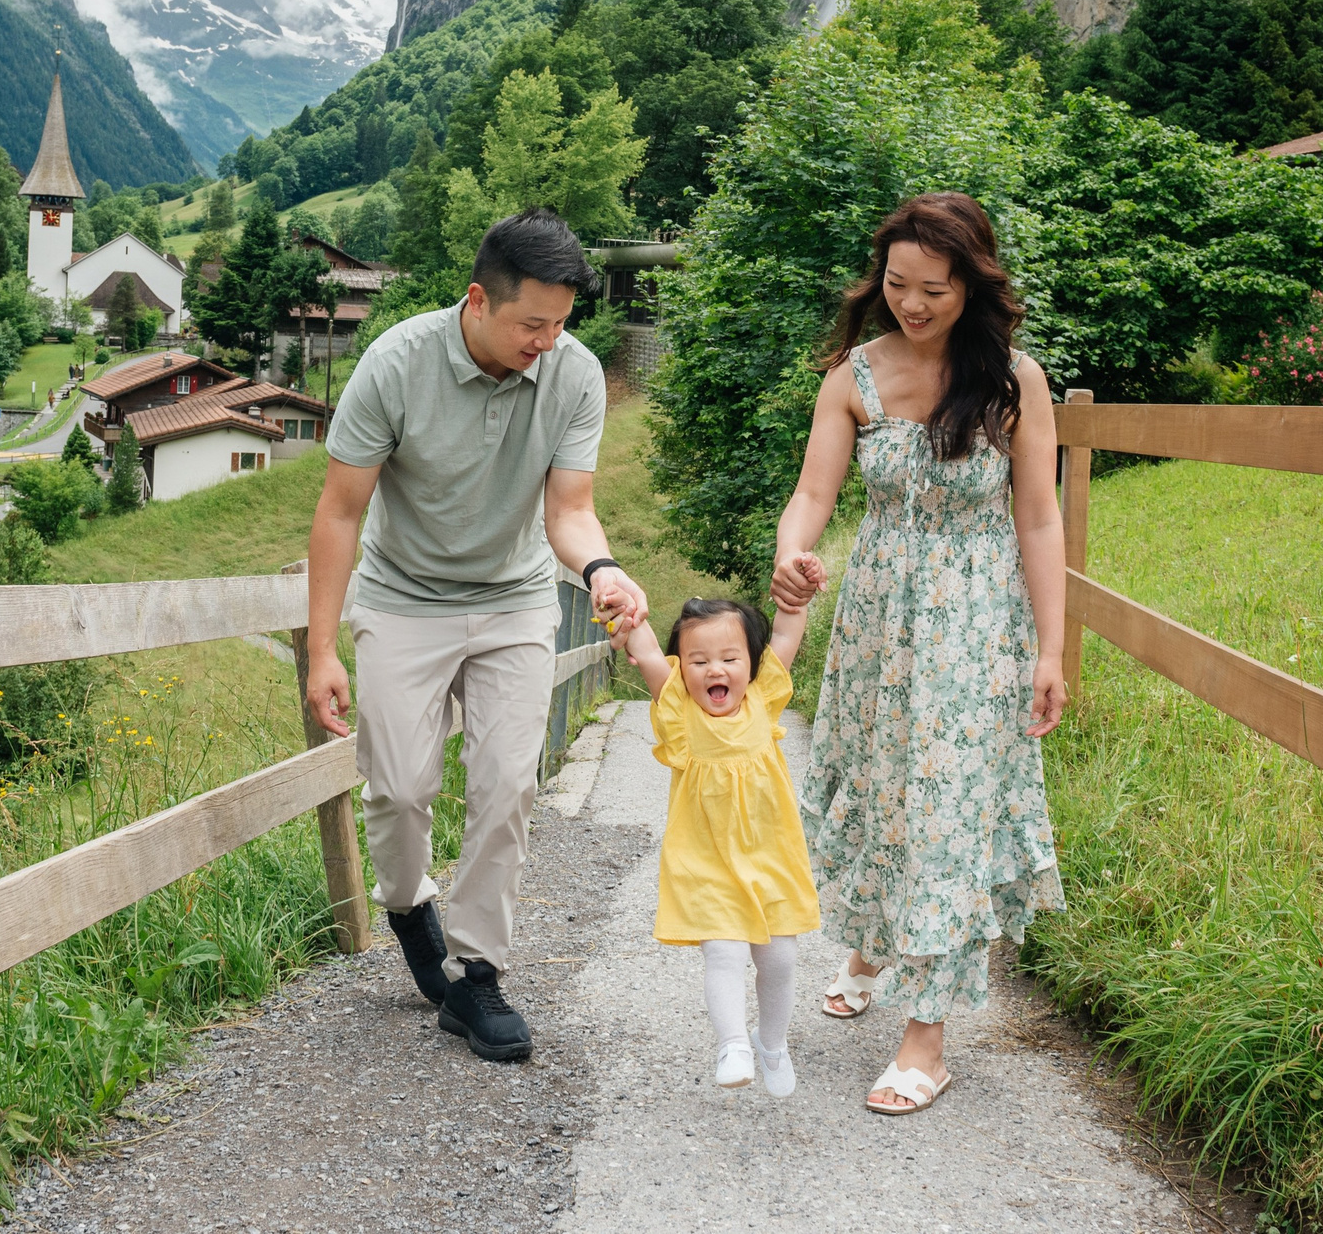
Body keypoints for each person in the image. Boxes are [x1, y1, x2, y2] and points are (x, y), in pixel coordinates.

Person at [303, 208, 651, 1062]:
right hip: (403, 598)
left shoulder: (571, 373)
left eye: (562, 323)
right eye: (533, 323)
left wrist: (601, 569)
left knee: (506, 783)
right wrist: (320, 651)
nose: (548, 340)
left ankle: (479, 974)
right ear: (478, 301)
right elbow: (340, 511)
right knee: (398, 785)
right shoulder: (395, 363)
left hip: (515, 597)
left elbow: (568, 510)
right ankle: (406, 901)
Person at [771, 191, 1069, 1116]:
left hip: (977, 625)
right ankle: (870, 945)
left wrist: (1051, 649)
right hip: (876, 623)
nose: (911, 303)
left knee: (948, 808)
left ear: (972, 284)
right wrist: (793, 556)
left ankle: (926, 1037)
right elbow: (813, 494)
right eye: (897, 284)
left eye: (932, 289)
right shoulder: (852, 377)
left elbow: (1039, 517)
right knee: (884, 785)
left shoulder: (1015, 382)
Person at [608, 594, 820, 1096]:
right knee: (723, 953)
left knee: (780, 958)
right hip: (706, 863)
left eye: (729, 659)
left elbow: (786, 635)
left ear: (751, 664)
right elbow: (651, 657)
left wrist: (798, 593)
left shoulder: (764, 698)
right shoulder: (680, 713)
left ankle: (772, 1043)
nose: (714, 670)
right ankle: (732, 1044)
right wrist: (624, 613)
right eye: (699, 661)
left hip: (773, 858)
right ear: (685, 670)